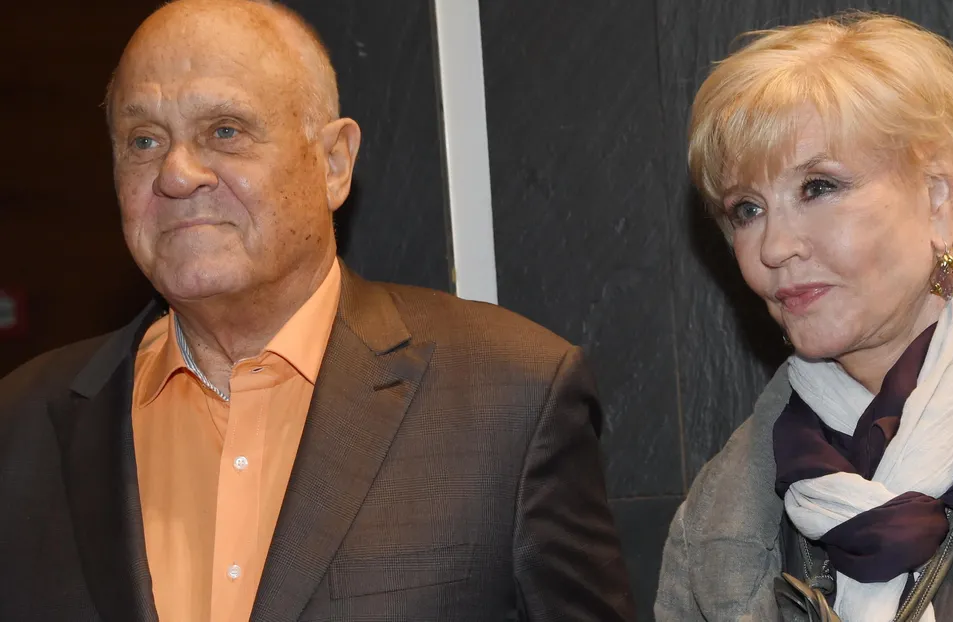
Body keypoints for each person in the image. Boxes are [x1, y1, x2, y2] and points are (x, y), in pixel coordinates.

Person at [0, 1, 635, 620]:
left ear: (333, 163)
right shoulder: (21, 427)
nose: (177, 173)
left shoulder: (510, 398)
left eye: (225, 131)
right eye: (144, 140)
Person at [655, 11, 953, 622]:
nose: (773, 247)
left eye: (818, 187)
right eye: (747, 209)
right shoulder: (710, 526)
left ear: (939, 196)